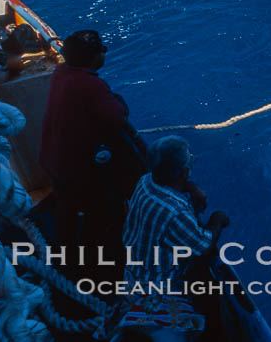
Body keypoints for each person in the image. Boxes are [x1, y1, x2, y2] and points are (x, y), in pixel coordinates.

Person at [40, 30, 146, 282]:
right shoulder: (90, 84)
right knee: (100, 212)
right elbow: (117, 116)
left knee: (64, 208)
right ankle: (90, 267)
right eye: (100, 51)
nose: (103, 53)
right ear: (93, 58)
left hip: (52, 159)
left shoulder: (60, 73)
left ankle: (64, 255)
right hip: (76, 169)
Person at [104, 136, 229, 339]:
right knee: (200, 327)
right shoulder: (176, 212)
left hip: (133, 273)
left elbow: (167, 182)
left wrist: (189, 186)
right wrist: (218, 219)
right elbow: (203, 247)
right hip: (157, 285)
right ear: (184, 172)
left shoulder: (145, 181)